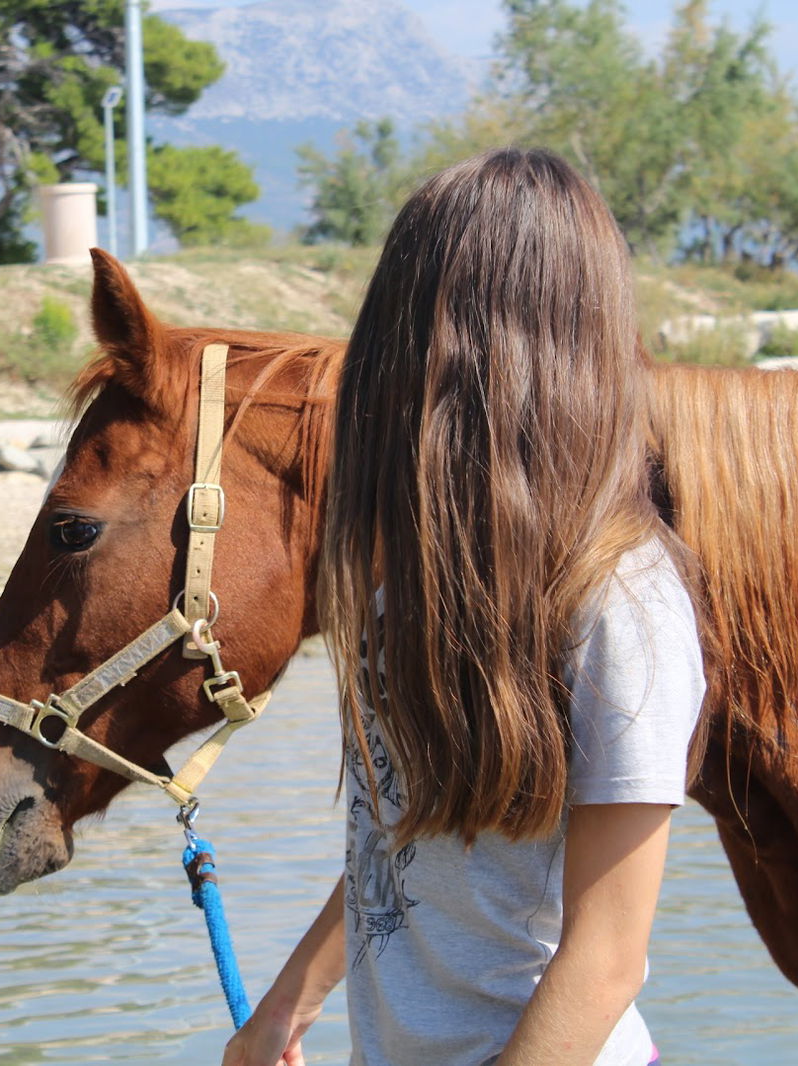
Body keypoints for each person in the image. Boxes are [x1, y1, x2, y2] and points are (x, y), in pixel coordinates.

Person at [224, 148, 707, 1066]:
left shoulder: (624, 602)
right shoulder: (410, 574)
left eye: (410, 329)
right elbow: (400, 843)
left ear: (501, 358)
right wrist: (285, 1006)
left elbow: (607, 959)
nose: (378, 364)